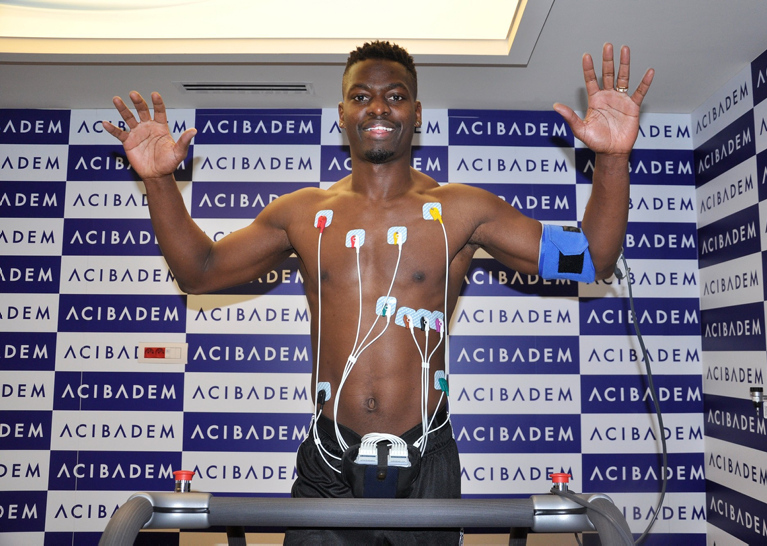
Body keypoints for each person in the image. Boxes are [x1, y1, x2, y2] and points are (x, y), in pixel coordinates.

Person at [104, 40, 653, 545]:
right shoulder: (302, 213)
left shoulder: (462, 209)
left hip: (427, 453)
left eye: (395, 96)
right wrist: (158, 181)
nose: (378, 108)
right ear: (342, 113)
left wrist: (612, 159)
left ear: (416, 112)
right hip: (329, 455)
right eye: (361, 96)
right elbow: (200, 271)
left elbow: (592, 258)